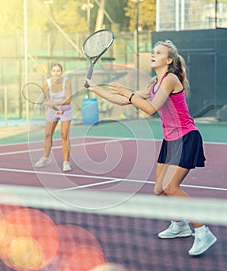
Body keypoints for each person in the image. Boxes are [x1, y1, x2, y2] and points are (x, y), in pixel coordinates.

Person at [86, 40, 217, 256]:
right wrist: (94, 88)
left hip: (186, 138)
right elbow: (123, 101)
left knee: (171, 188)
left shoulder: (170, 80)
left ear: (169, 60)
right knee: (159, 189)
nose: (152, 54)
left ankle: (203, 231)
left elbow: (149, 108)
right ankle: (180, 225)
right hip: (170, 140)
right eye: (152, 51)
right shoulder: (153, 84)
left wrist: (128, 93)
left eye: (158, 52)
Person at [34, 63, 73, 172]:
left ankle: (66, 162)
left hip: (66, 109)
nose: (56, 73)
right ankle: (46, 158)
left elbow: (68, 99)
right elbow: (47, 99)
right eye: (54, 71)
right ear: (51, 72)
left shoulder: (67, 82)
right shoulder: (47, 83)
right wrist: (50, 104)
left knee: (64, 135)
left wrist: (56, 104)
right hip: (53, 110)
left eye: (58, 71)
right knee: (47, 134)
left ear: (62, 72)